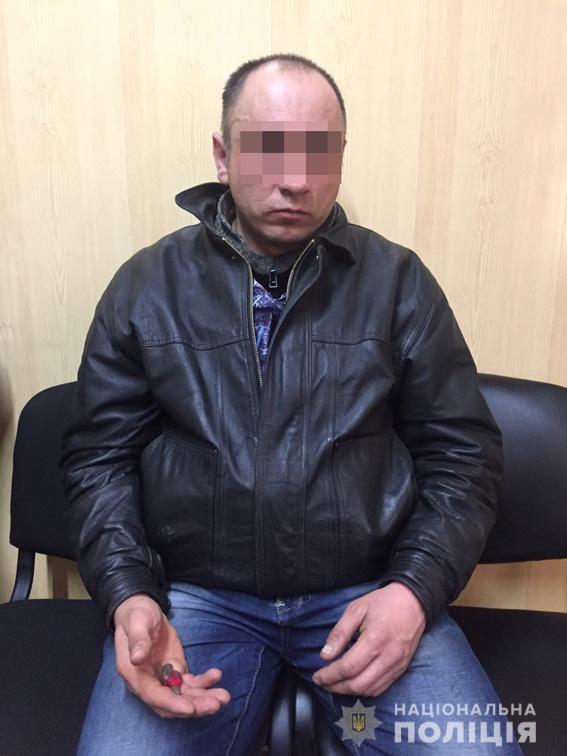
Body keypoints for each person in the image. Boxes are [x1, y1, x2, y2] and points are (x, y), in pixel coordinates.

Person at [60, 53, 522, 755]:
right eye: (268, 148)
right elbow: (99, 460)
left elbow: (463, 457)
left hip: (366, 594)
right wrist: (130, 594)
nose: (296, 179)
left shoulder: (398, 284)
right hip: (196, 602)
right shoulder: (146, 287)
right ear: (222, 156)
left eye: (319, 151)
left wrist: (413, 591)